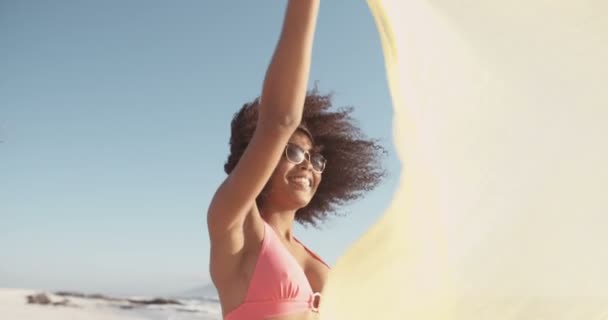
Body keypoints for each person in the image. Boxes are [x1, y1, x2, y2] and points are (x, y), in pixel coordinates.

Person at [206, 1, 386, 319]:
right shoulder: (234, 226)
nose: (308, 166)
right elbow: (279, 120)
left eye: (317, 160)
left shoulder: (306, 252)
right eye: (293, 152)